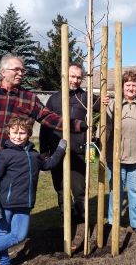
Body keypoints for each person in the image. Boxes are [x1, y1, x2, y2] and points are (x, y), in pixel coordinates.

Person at [0, 53, 86, 263]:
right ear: (3, 71)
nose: (21, 73)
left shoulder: (28, 98)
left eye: (22, 70)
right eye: (16, 69)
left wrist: (77, 125)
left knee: (0, 208)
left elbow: (49, 118)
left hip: (10, 167)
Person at [0, 115, 66, 265]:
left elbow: (48, 164)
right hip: (5, 204)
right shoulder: (5, 155)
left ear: (29, 134)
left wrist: (61, 149)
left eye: (22, 133)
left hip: (24, 203)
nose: (17, 136)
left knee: (19, 235)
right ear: (8, 133)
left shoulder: (34, 155)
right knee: (2, 235)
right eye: (14, 132)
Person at [39, 63, 100, 225]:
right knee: (61, 190)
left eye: (79, 77)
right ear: (65, 76)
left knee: (80, 190)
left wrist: (105, 100)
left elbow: (101, 107)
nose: (75, 80)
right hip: (57, 152)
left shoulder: (85, 97)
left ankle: (82, 220)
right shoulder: (54, 100)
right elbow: (45, 126)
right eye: (72, 76)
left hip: (79, 153)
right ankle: (67, 220)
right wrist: (44, 152)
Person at [106, 70, 136, 235]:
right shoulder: (113, 105)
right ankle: (113, 221)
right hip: (115, 157)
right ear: (122, 86)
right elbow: (104, 129)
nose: (131, 88)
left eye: (134, 85)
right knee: (115, 191)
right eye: (128, 84)